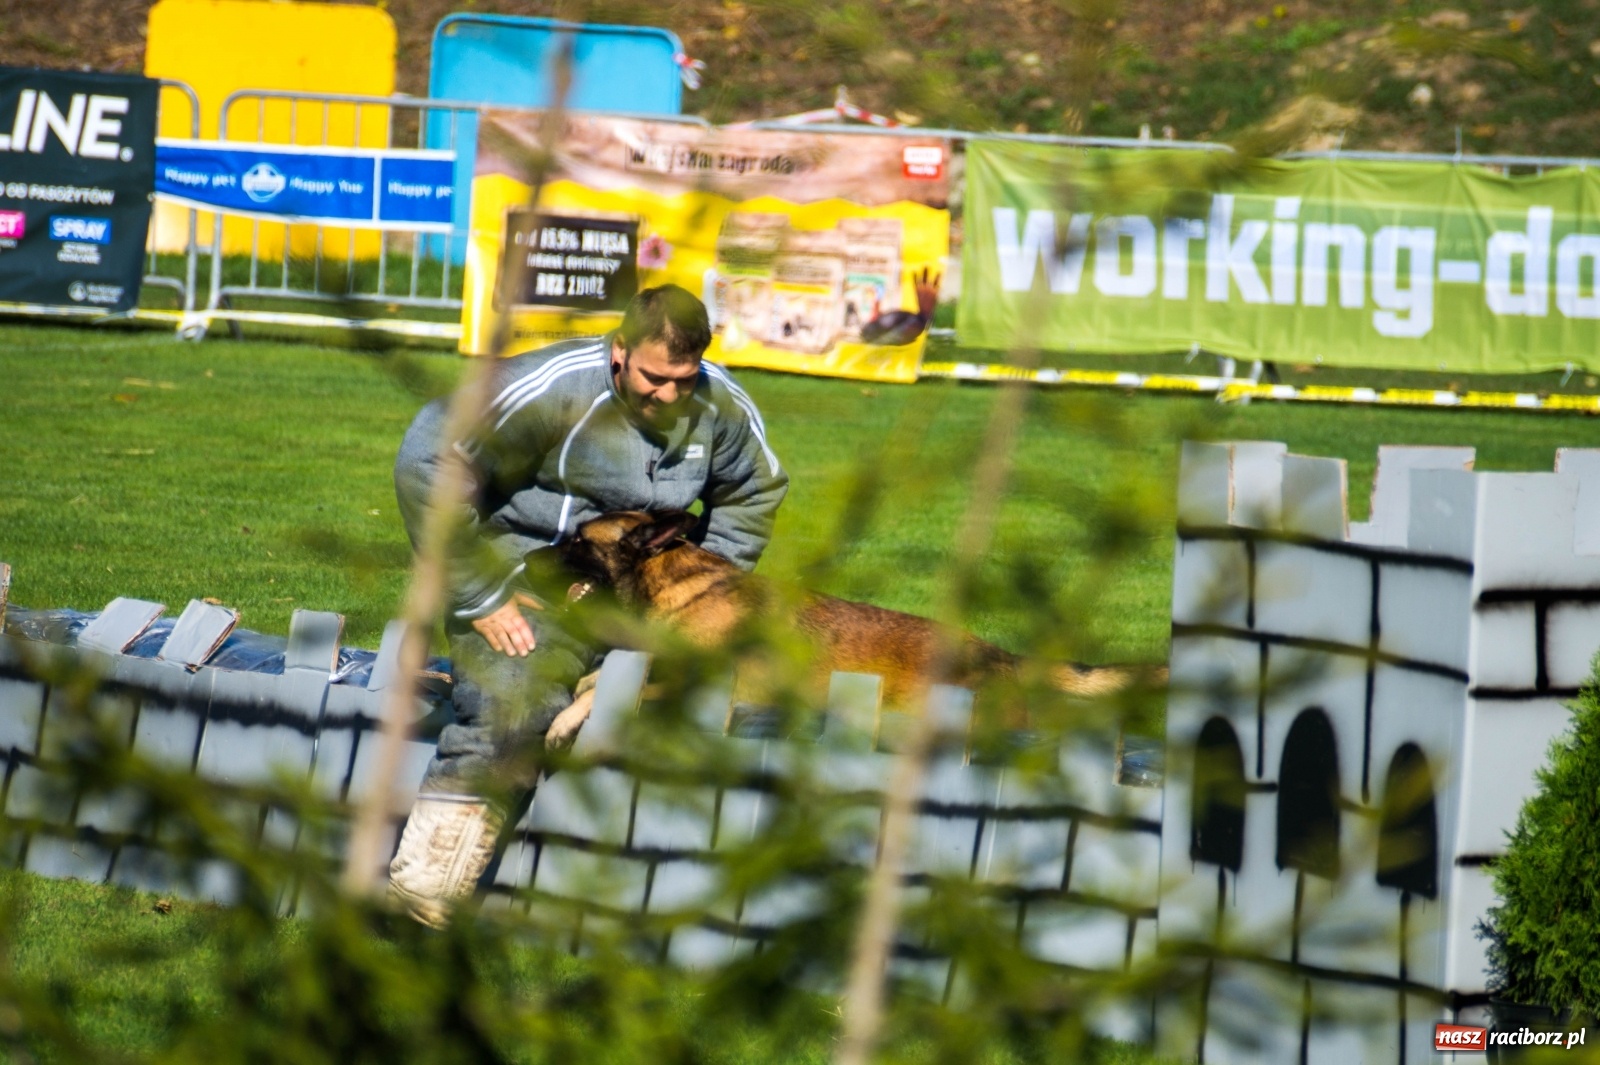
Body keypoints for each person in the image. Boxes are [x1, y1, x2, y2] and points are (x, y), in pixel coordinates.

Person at [387, 284, 788, 926]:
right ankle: (423, 894)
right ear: (620, 350)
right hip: (531, 596)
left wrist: (700, 594)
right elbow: (427, 458)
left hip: (650, 611)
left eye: (685, 380)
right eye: (654, 378)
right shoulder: (553, 386)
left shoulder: (723, 407)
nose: (670, 395)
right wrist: (480, 591)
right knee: (513, 706)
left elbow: (753, 493)